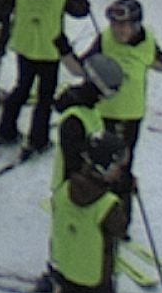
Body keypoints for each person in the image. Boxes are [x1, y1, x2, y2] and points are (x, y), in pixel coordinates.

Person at [27, 129, 132, 293]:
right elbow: (121, 228)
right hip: (96, 274)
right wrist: (125, 194)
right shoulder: (107, 204)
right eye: (118, 166)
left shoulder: (66, 188)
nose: (121, 171)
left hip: (68, 264)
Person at [0, 0, 88, 158]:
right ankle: (38, 139)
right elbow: (80, 10)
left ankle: (6, 130)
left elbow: (1, 5)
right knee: (44, 97)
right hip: (49, 49)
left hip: (24, 45)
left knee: (21, 88)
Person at [83, 0, 162, 167]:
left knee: (124, 162)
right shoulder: (104, 38)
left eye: (123, 25)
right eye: (114, 24)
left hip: (132, 114)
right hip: (104, 113)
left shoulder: (148, 42)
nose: (117, 30)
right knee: (102, 163)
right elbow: (83, 66)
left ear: (136, 25)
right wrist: (63, 49)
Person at [50, 53, 124, 191]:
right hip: (74, 191)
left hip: (85, 185)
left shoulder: (90, 110)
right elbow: (74, 162)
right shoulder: (74, 120)